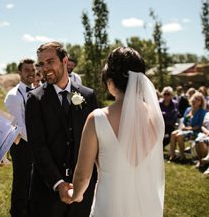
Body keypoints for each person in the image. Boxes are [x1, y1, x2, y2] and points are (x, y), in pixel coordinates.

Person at [68, 47, 165, 216]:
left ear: (110, 82)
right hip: (148, 206)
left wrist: (74, 195)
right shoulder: (157, 118)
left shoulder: (97, 119)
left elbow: (82, 176)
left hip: (109, 208)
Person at [24, 41, 99, 217]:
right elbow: (38, 146)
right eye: (41, 64)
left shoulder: (88, 96)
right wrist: (59, 183)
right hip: (48, 191)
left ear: (65, 61)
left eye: (50, 62)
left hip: (83, 191)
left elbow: (97, 140)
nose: (45, 68)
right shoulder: (34, 100)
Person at [3, 58, 35, 217]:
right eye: (27, 70)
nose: (31, 73)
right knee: (22, 183)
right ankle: (17, 213)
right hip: (22, 145)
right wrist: (40, 142)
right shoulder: (13, 96)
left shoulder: (38, 90)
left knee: (33, 183)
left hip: (35, 143)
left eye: (33, 69)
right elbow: (20, 127)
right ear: (19, 73)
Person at [168, 92, 206, 161]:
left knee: (179, 135)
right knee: (173, 134)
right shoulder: (188, 109)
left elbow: (200, 125)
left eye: (198, 99)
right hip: (185, 130)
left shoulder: (202, 112)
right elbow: (183, 121)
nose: (195, 100)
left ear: (201, 102)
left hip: (196, 131)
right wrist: (183, 127)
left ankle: (182, 156)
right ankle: (172, 155)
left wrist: (188, 129)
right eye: (195, 98)